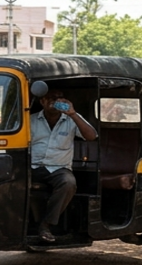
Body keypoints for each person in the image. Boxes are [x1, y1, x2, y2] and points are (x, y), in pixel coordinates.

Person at [31, 89, 98, 243]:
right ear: (42, 101)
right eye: (50, 98)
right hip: (33, 167)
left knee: (69, 183)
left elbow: (91, 136)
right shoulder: (31, 120)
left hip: (58, 168)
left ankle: (46, 225)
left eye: (58, 98)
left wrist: (73, 114)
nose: (54, 102)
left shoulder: (72, 119)